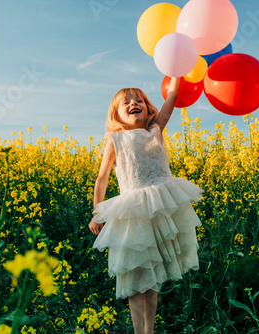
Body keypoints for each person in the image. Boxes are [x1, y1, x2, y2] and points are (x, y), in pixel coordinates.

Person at [88, 77, 203, 334]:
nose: (133, 104)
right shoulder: (115, 140)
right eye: (126, 102)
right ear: (115, 113)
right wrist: (97, 214)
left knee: (152, 281)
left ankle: (148, 331)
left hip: (161, 209)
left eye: (139, 100)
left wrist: (177, 71)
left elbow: (172, 97)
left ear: (148, 107)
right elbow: (102, 177)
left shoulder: (156, 130)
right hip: (133, 214)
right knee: (133, 277)